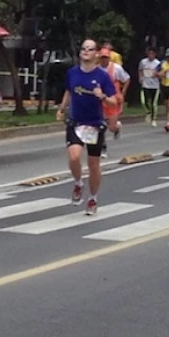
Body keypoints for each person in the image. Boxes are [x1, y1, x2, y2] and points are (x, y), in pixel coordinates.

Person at [57, 38, 118, 215]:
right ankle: (78, 183)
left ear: (96, 54)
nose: (85, 52)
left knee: (93, 165)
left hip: (94, 124)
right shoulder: (72, 73)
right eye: (83, 48)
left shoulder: (102, 76)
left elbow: (114, 101)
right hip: (76, 121)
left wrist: (103, 97)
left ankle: (93, 198)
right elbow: (68, 91)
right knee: (74, 157)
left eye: (90, 49)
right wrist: (62, 109)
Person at [99, 47, 130, 155]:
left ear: (109, 58)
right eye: (102, 58)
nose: (104, 60)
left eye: (106, 58)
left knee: (111, 127)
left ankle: (116, 128)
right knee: (101, 125)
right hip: (101, 100)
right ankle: (103, 146)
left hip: (113, 100)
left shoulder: (116, 68)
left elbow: (126, 79)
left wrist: (122, 93)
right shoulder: (96, 69)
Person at [139, 47, 161, 127]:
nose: (150, 55)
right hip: (145, 84)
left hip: (155, 85)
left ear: (155, 54)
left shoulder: (158, 63)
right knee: (143, 101)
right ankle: (148, 112)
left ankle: (154, 119)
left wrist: (157, 74)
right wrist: (140, 78)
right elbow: (140, 70)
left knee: (154, 103)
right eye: (149, 53)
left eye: (152, 54)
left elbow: (161, 74)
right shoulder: (143, 62)